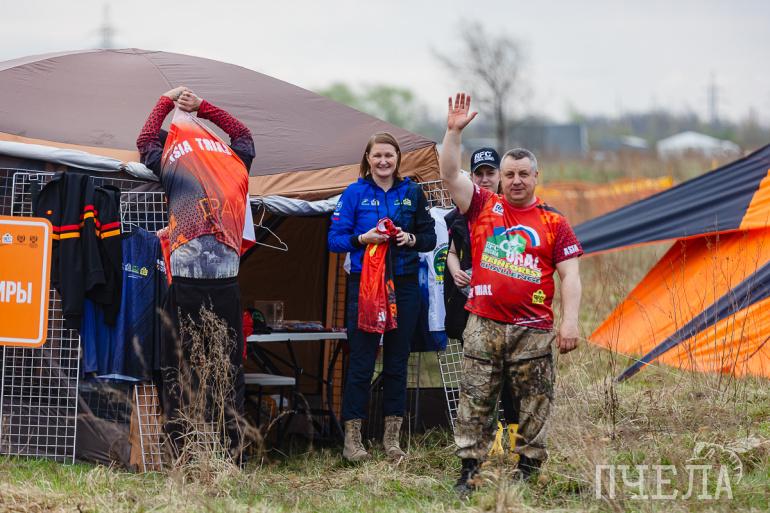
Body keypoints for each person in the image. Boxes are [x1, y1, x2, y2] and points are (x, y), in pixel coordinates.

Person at [439, 93, 582, 495]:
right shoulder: (484, 206)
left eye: (523, 174)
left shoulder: (554, 222)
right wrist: (453, 132)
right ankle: (470, 470)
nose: (516, 180)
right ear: (500, 178)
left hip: (533, 328)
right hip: (483, 323)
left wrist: (570, 322)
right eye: (509, 174)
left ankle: (528, 468)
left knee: (534, 400)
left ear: (536, 176)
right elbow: (449, 174)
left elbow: (571, 275)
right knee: (475, 398)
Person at [136, 86, 255, 461]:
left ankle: (203, 455)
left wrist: (167, 101)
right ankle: (207, 455)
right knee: (213, 369)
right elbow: (243, 135)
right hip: (214, 284)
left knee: (191, 369)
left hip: (197, 284)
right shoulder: (230, 162)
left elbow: (145, 139)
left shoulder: (176, 164)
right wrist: (203, 108)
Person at [328, 132, 436, 462]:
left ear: (398, 158)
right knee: (361, 362)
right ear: (368, 159)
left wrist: (410, 238)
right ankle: (353, 441)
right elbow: (334, 240)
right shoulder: (354, 192)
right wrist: (363, 238)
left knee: (396, 363)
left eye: (389, 155)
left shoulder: (412, 192)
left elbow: (430, 238)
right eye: (377, 155)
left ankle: (392, 441)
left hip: (404, 285)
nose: (383, 161)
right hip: (366, 286)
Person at [443, 148, 520, 457]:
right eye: (479, 174)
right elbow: (451, 252)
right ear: (471, 177)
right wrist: (456, 271)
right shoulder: (460, 213)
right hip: (471, 306)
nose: (485, 179)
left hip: (507, 307)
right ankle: (485, 439)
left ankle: (513, 438)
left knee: (510, 376)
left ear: (500, 176)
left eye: (491, 173)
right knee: (480, 377)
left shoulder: (515, 210)